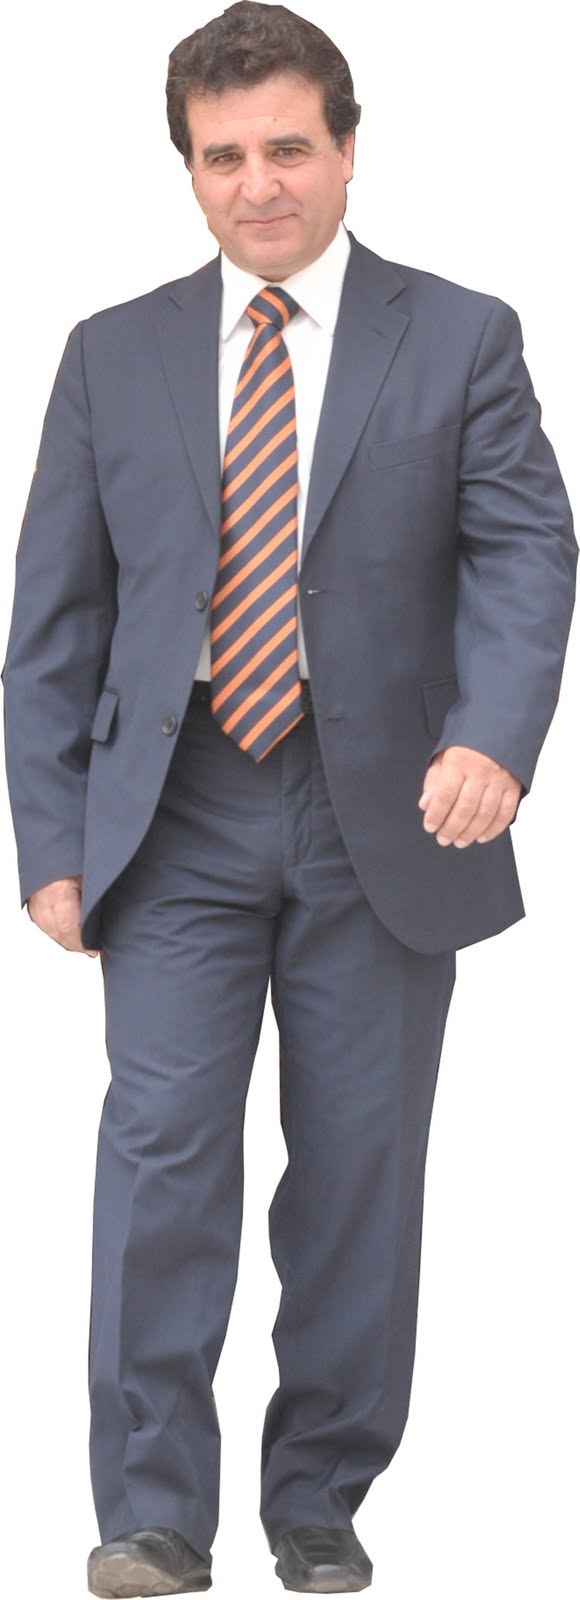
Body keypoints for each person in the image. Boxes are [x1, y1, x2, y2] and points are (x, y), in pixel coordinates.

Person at [1, 2, 576, 1594]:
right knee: (161, 1155)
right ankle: (151, 1513)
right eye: (222, 156)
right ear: (188, 169)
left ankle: (317, 1497)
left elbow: (526, 551)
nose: (258, 184)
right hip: (174, 809)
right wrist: (50, 836)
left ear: (347, 147)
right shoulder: (110, 353)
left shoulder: (459, 335)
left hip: (386, 807)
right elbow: (55, 616)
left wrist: (494, 737)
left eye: (288, 149)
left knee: (357, 1166)